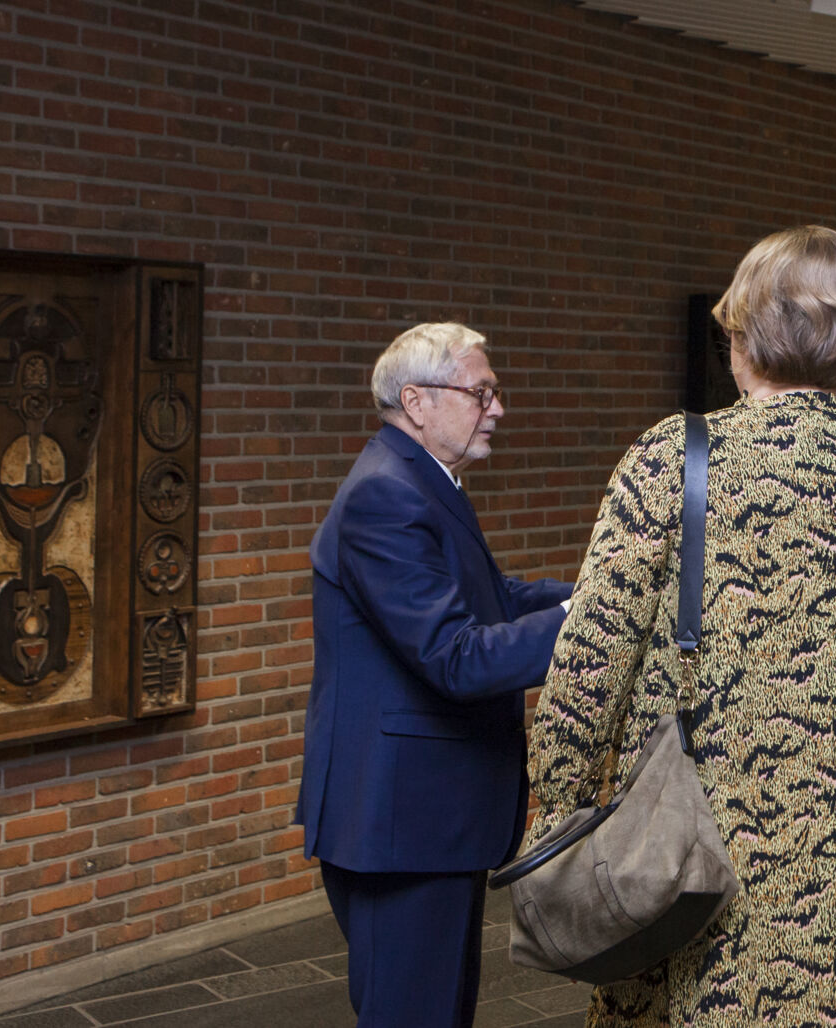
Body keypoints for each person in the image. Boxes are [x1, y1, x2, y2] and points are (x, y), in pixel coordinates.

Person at [524, 226, 836, 1027]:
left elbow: (586, 673)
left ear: (746, 337)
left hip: (703, 878)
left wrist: (556, 835)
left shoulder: (674, 460)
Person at [295, 322, 575, 1026]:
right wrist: (585, 625)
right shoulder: (387, 496)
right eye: (482, 392)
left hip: (425, 817)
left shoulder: (421, 479)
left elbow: (490, 597)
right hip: (402, 823)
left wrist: (589, 596)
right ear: (416, 401)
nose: (498, 408)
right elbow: (455, 656)